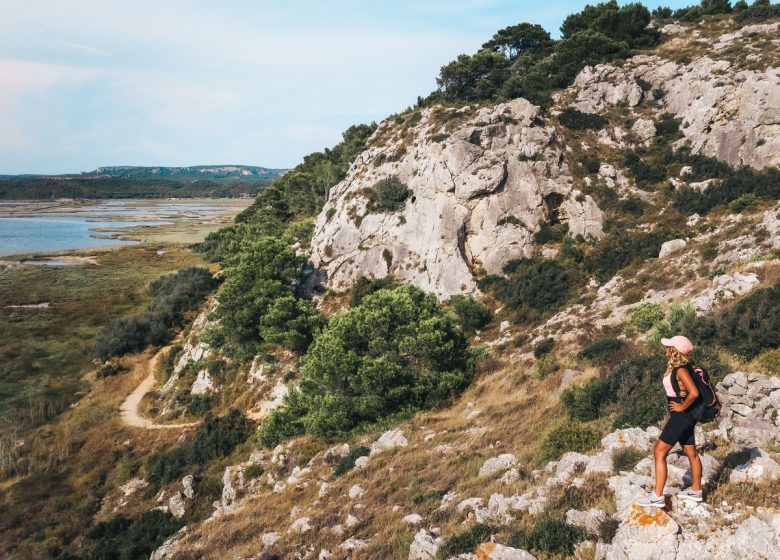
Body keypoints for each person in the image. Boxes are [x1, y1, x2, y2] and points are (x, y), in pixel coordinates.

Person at [635, 335, 703, 508]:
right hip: (686, 417)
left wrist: (681, 408)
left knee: (659, 452)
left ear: (674, 351)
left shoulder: (680, 369)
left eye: (668, 347)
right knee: (691, 453)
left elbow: (694, 393)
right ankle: (696, 491)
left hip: (681, 417)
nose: (665, 349)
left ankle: (657, 496)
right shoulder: (684, 367)